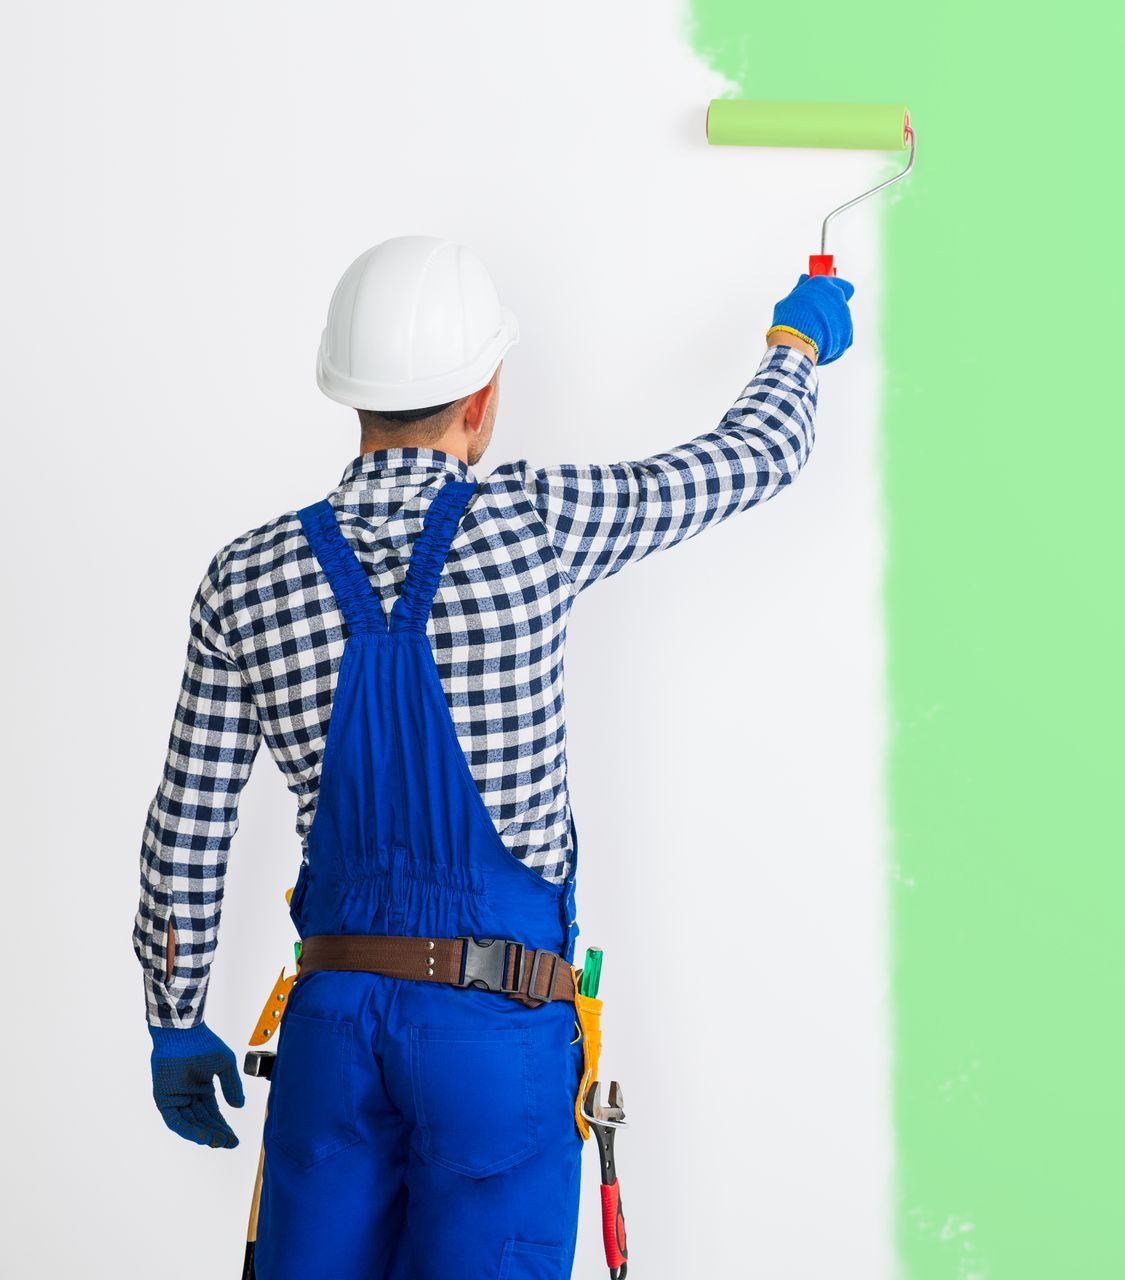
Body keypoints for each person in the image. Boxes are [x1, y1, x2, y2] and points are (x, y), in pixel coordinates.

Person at [132, 235, 855, 1276]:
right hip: (498, 1032)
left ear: (352, 397)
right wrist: (796, 338)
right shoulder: (535, 521)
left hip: (331, 1032)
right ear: (483, 396)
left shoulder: (244, 575)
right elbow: (755, 456)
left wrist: (174, 1012)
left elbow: (188, 822)